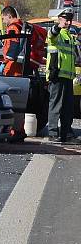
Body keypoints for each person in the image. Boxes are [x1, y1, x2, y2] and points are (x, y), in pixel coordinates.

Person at [46, 8, 77, 143]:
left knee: (67, 107)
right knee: (56, 105)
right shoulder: (57, 34)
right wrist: (58, 26)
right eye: (65, 20)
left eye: (69, 20)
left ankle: (66, 133)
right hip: (57, 75)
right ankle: (52, 133)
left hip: (68, 77)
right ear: (59, 20)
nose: (68, 23)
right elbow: (51, 35)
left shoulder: (70, 37)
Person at [1, 6, 24, 76]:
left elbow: (14, 45)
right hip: (18, 63)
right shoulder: (20, 25)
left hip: (12, 64)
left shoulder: (13, 28)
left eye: (3, 18)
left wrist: (5, 62)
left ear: (9, 16)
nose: (3, 21)